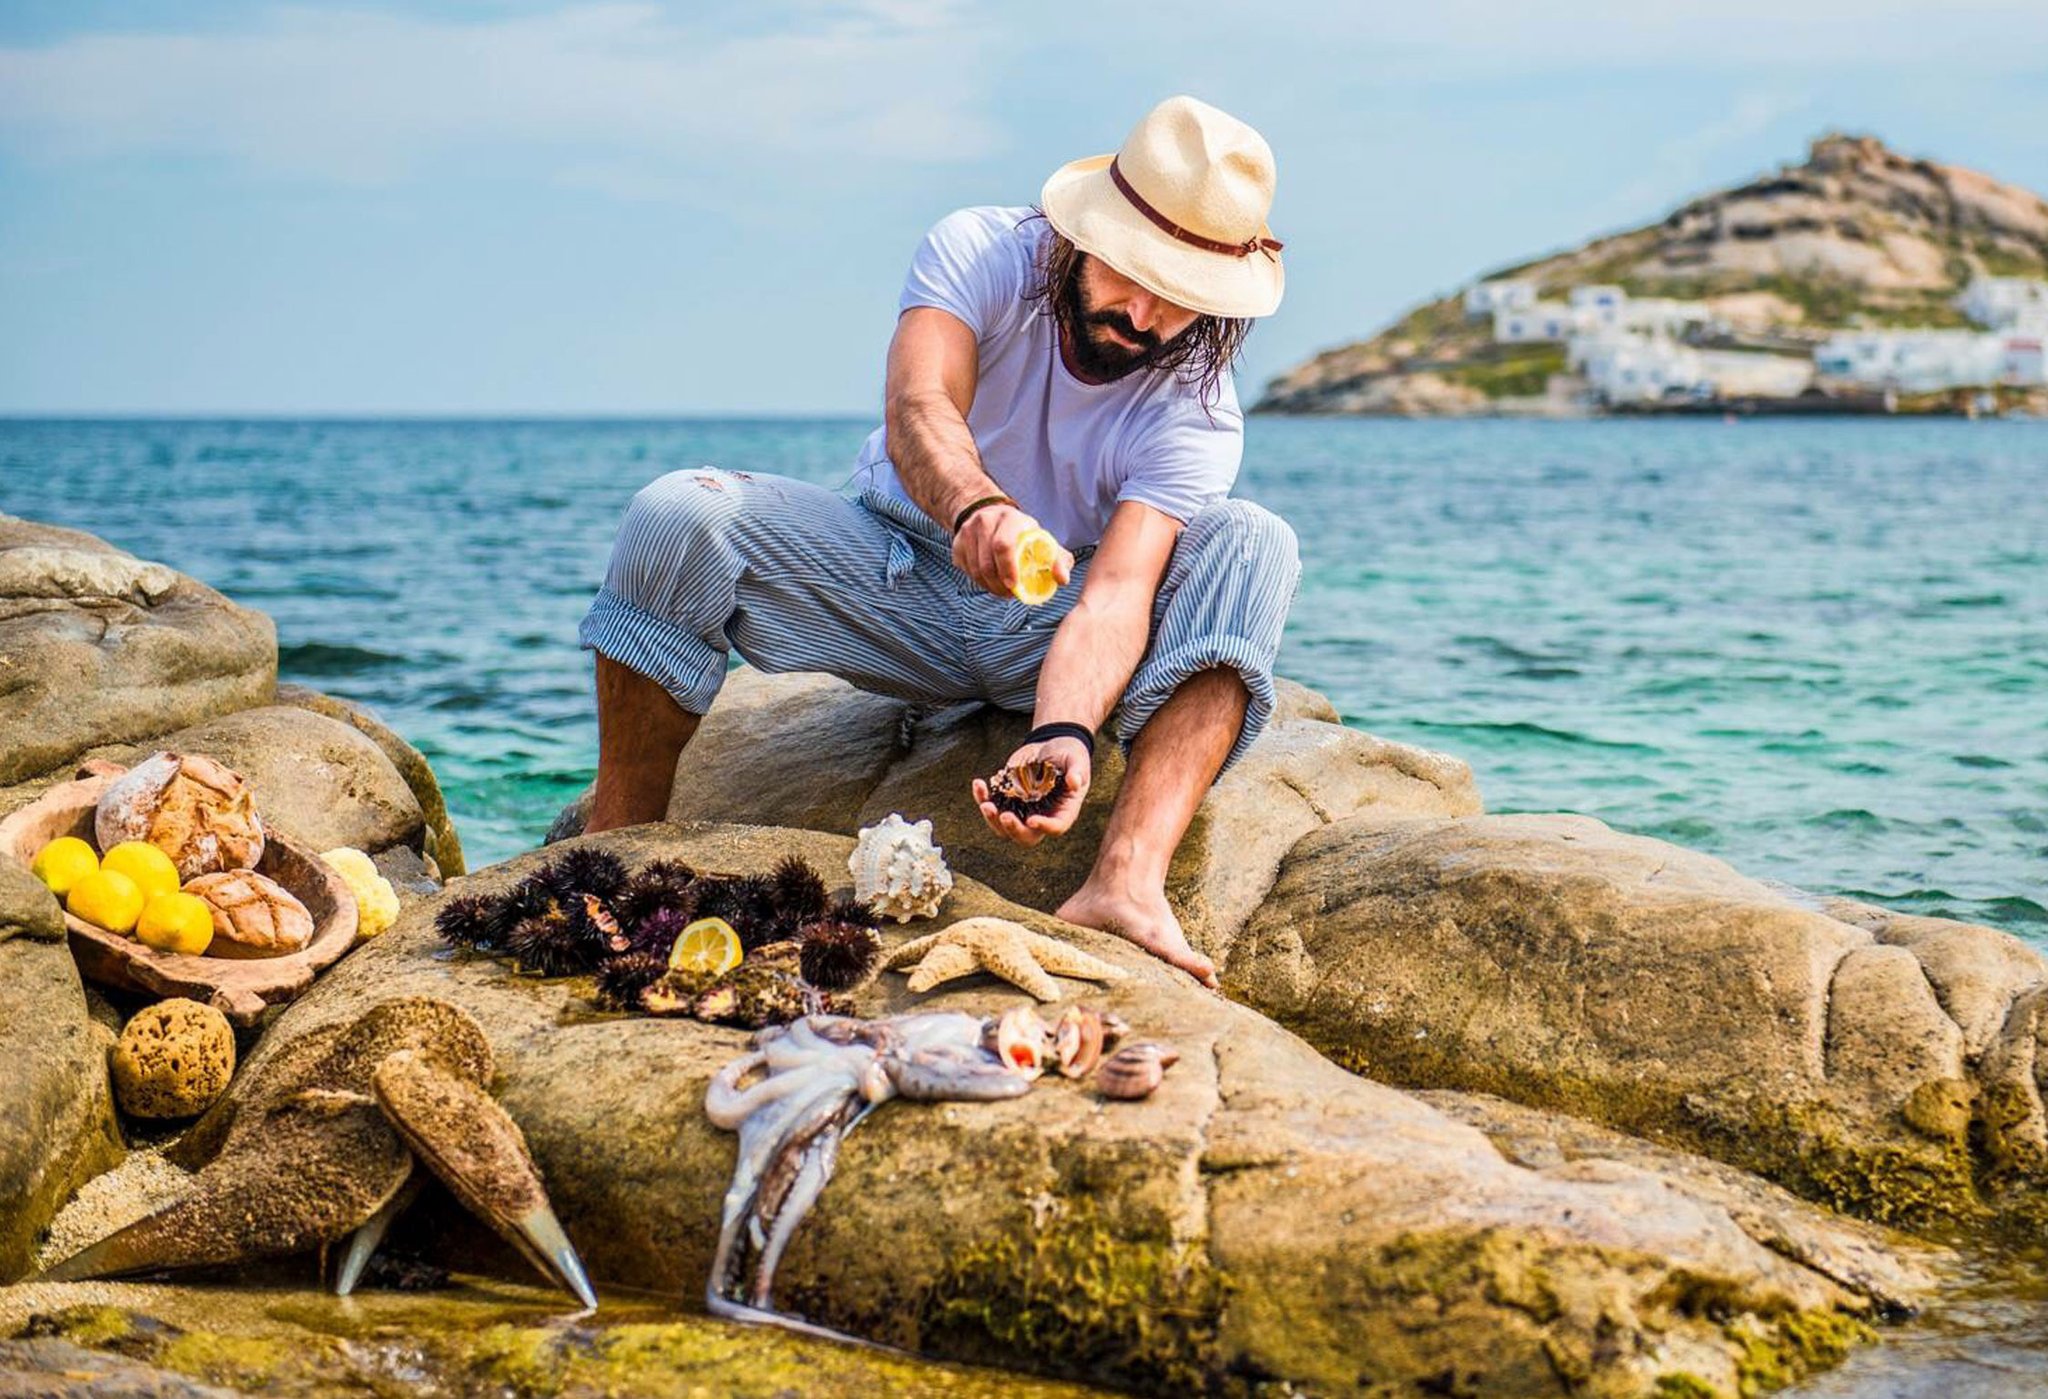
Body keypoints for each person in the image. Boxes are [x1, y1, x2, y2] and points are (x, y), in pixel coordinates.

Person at [577, 95, 1299, 988]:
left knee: (1253, 540)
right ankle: (613, 859)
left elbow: (1117, 593)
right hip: (896, 573)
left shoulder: (1197, 407)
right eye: (1128, 270)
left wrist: (1066, 731)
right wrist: (976, 509)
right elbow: (920, 405)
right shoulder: (981, 248)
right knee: (677, 511)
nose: (1144, 314)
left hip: (1054, 629)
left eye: (1180, 296)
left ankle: (1127, 882)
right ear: (1083, 232)